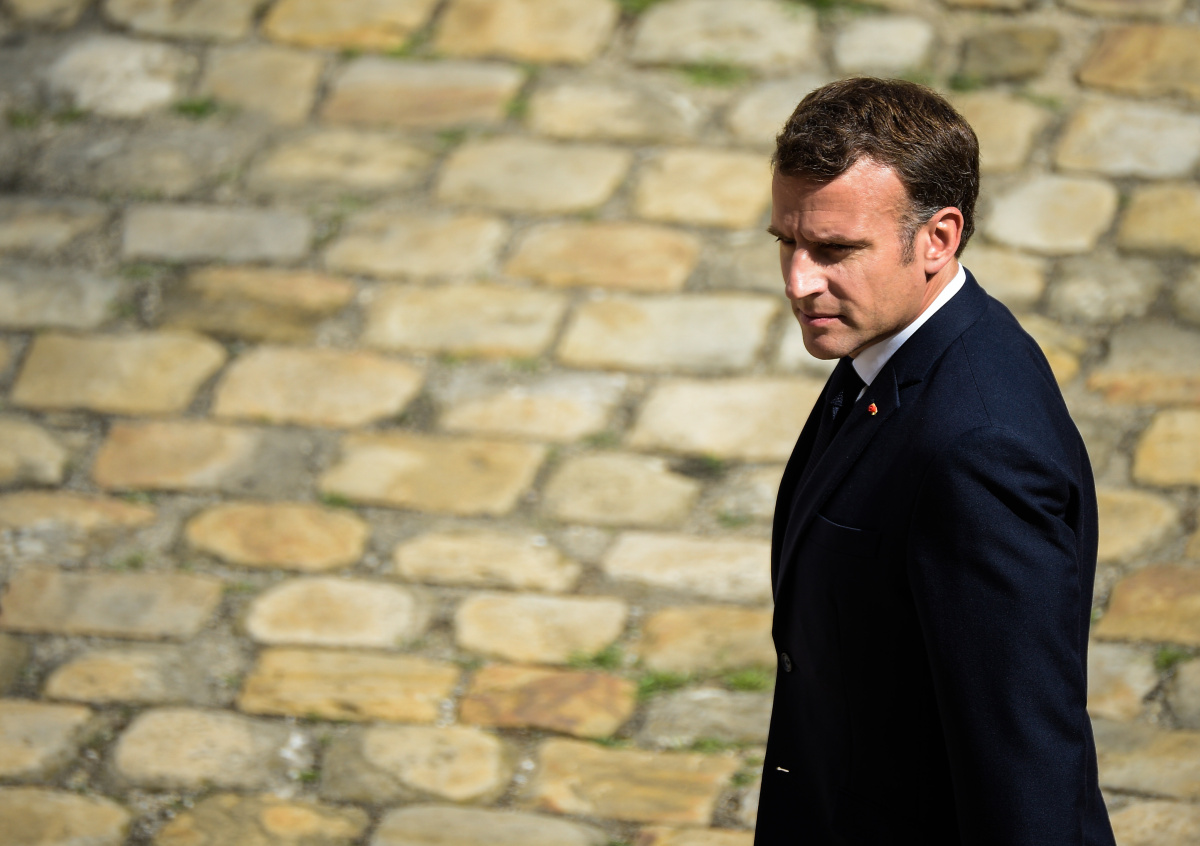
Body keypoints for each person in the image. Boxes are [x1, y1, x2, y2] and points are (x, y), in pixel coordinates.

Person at [755, 77, 1115, 846]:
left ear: (938, 238)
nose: (798, 281)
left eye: (835, 250)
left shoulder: (979, 452)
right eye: (787, 241)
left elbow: (1025, 758)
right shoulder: (886, 347)